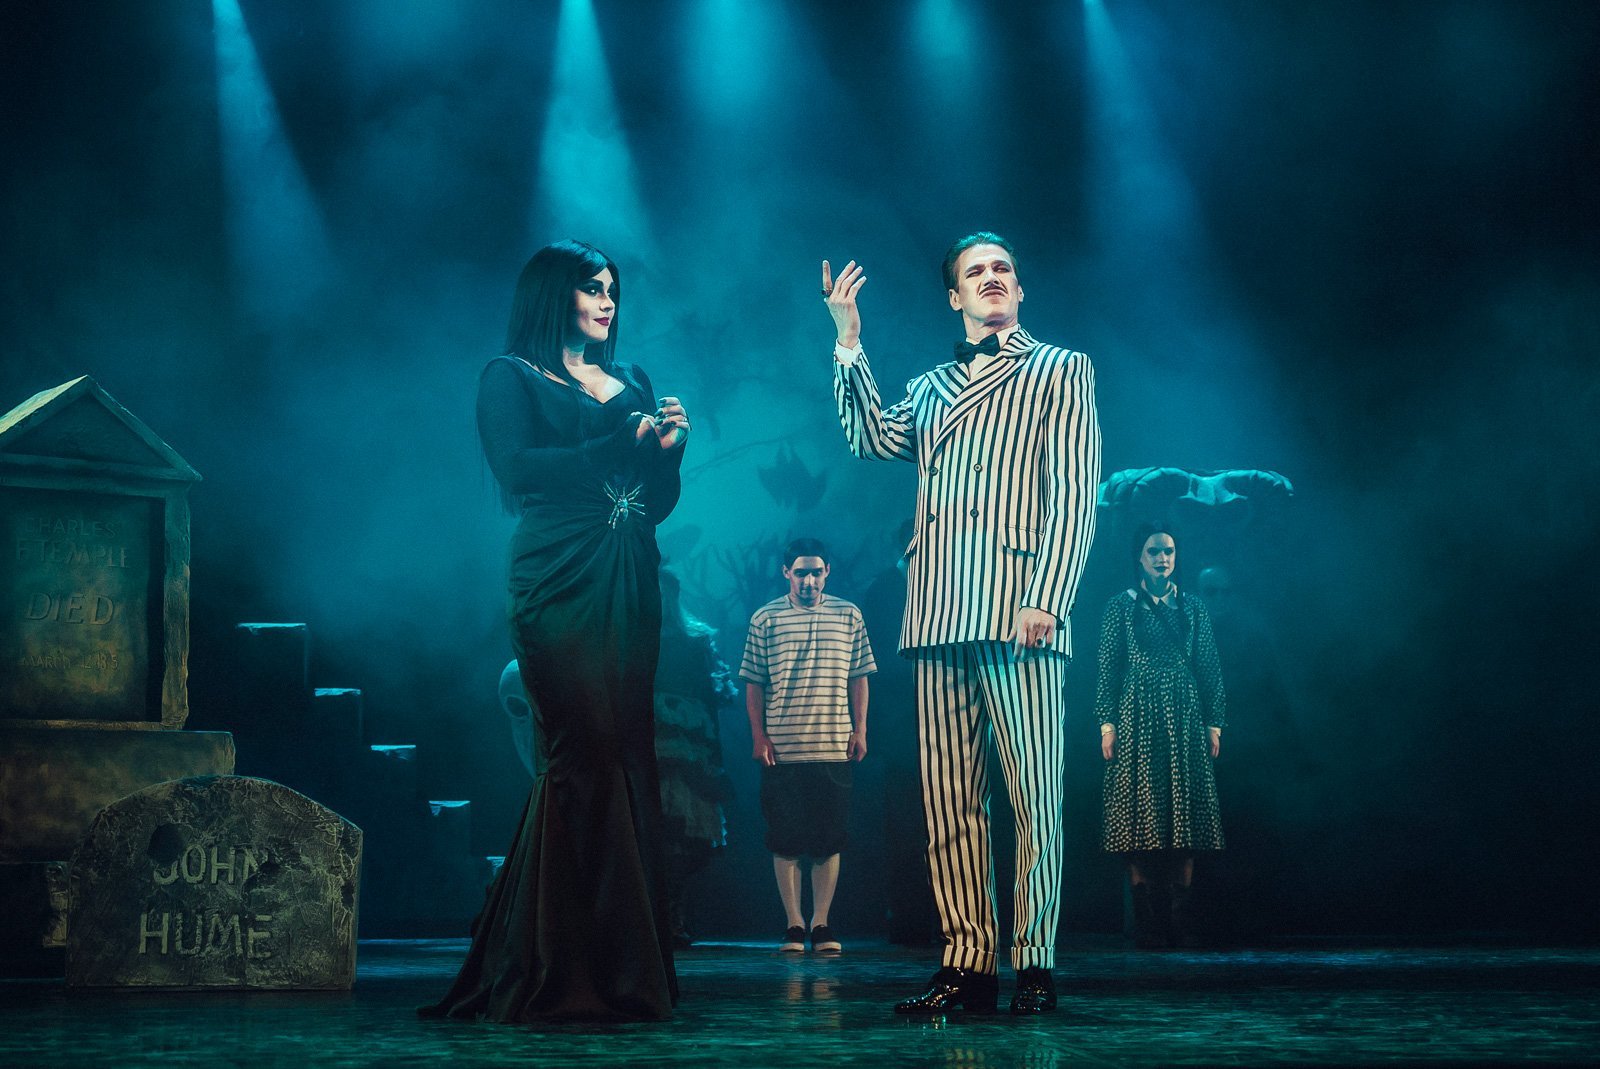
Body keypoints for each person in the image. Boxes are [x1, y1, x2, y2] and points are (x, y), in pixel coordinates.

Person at [824, 233, 1101, 1015]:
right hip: (940, 605)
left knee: (1034, 796)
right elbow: (869, 437)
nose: (992, 278)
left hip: (1020, 609)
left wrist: (1048, 595)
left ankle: (1035, 963)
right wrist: (848, 339)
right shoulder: (930, 385)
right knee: (950, 803)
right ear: (955, 296)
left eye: (1003, 268)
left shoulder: (1061, 368)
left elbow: (1075, 494)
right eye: (976, 271)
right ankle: (967, 963)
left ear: (1020, 288)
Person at [424, 239, 690, 1023]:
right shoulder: (509, 376)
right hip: (555, 577)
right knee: (582, 750)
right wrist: (619, 441)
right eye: (591, 289)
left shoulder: (632, 376)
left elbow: (653, 502)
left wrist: (670, 455)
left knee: (627, 752)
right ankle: (557, 967)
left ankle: (625, 969)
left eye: (611, 289)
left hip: (630, 575)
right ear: (552, 295)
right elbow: (519, 470)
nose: (607, 302)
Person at [740, 538, 876, 956]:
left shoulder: (848, 615)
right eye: (801, 572)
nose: (809, 580)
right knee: (784, 837)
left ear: (827, 572)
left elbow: (859, 675)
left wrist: (860, 729)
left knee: (828, 838)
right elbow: (754, 681)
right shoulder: (765, 618)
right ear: (786, 573)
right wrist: (758, 735)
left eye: (816, 572)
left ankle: (821, 922)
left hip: (833, 744)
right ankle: (793, 924)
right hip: (783, 748)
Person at [1095, 524, 1226, 948]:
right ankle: (1146, 921)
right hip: (1136, 711)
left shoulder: (1193, 606)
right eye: (1154, 551)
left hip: (1183, 712)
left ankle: (1178, 920)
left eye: (1168, 550)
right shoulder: (1121, 607)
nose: (1162, 558)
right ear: (1140, 556)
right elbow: (1108, 668)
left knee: (1183, 816)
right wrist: (1107, 724)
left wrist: (1214, 722)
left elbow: (1208, 665)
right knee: (1139, 813)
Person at [653, 568, 736, 950]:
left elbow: (712, 698)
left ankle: (672, 916)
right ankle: (660, 918)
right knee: (656, 831)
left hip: (688, 746)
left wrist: (714, 760)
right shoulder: (632, 638)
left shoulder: (695, 641)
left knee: (685, 834)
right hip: (650, 745)